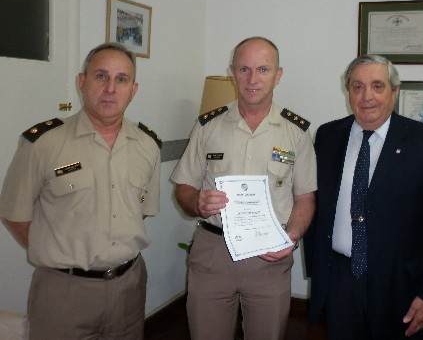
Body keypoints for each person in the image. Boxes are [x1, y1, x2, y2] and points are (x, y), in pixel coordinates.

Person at [0, 42, 162, 340]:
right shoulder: (43, 143)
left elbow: (141, 212)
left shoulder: (148, 145)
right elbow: (14, 214)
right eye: (101, 76)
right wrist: (59, 252)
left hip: (129, 287)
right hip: (64, 293)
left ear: (133, 90)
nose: (110, 88)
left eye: (121, 79)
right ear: (82, 82)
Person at [172, 36, 317, 340]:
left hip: (269, 257)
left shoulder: (297, 134)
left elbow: (305, 199)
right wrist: (197, 201)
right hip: (213, 253)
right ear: (231, 73)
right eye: (244, 69)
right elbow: (183, 187)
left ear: (278, 75)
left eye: (263, 70)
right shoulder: (207, 127)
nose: (253, 79)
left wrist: (291, 237)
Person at [304, 54, 423, 339]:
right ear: (347, 90)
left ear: (395, 91)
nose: (367, 97)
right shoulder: (328, 136)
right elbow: (315, 204)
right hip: (341, 280)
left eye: (377, 86)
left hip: (403, 286)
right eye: (357, 86)